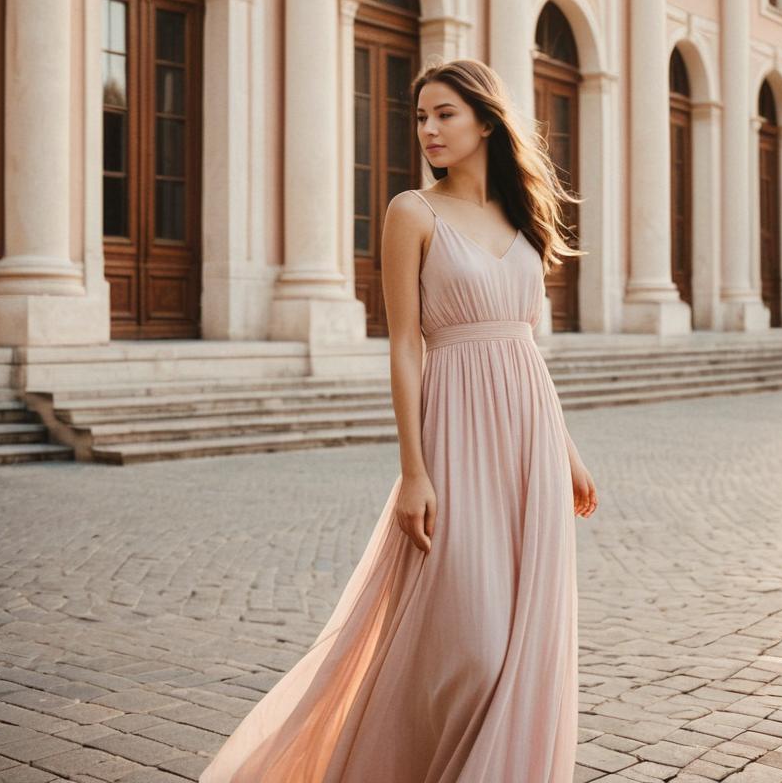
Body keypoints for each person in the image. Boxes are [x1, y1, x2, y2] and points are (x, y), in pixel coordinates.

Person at [199, 57, 598, 783]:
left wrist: (566, 450)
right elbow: (406, 346)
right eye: (421, 117)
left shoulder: (522, 217)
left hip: (530, 445)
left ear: (484, 120)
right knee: (471, 651)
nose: (428, 129)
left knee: (526, 642)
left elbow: (525, 347)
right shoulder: (411, 211)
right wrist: (413, 470)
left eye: (444, 113)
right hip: (453, 437)